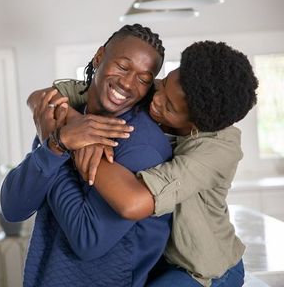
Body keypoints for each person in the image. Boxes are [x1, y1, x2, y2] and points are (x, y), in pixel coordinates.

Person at [40, 40, 258, 286]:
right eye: (163, 84)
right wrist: (77, 123)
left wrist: (84, 141)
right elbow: (46, 96)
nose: (156, 99)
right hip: (154, 261)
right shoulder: (154, 92)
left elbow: (132, 203)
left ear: (197, 124)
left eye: (169, 106)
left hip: (200, 272)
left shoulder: (219, 149)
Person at [0, 24, 173, 287]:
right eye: (123, 67)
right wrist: (56, 145)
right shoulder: (65, 116)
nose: (127, 83)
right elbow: (14, 208)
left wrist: (58, 143)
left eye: (143, 79)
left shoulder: (141, 144)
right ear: (100, 56)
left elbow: (88, 240)